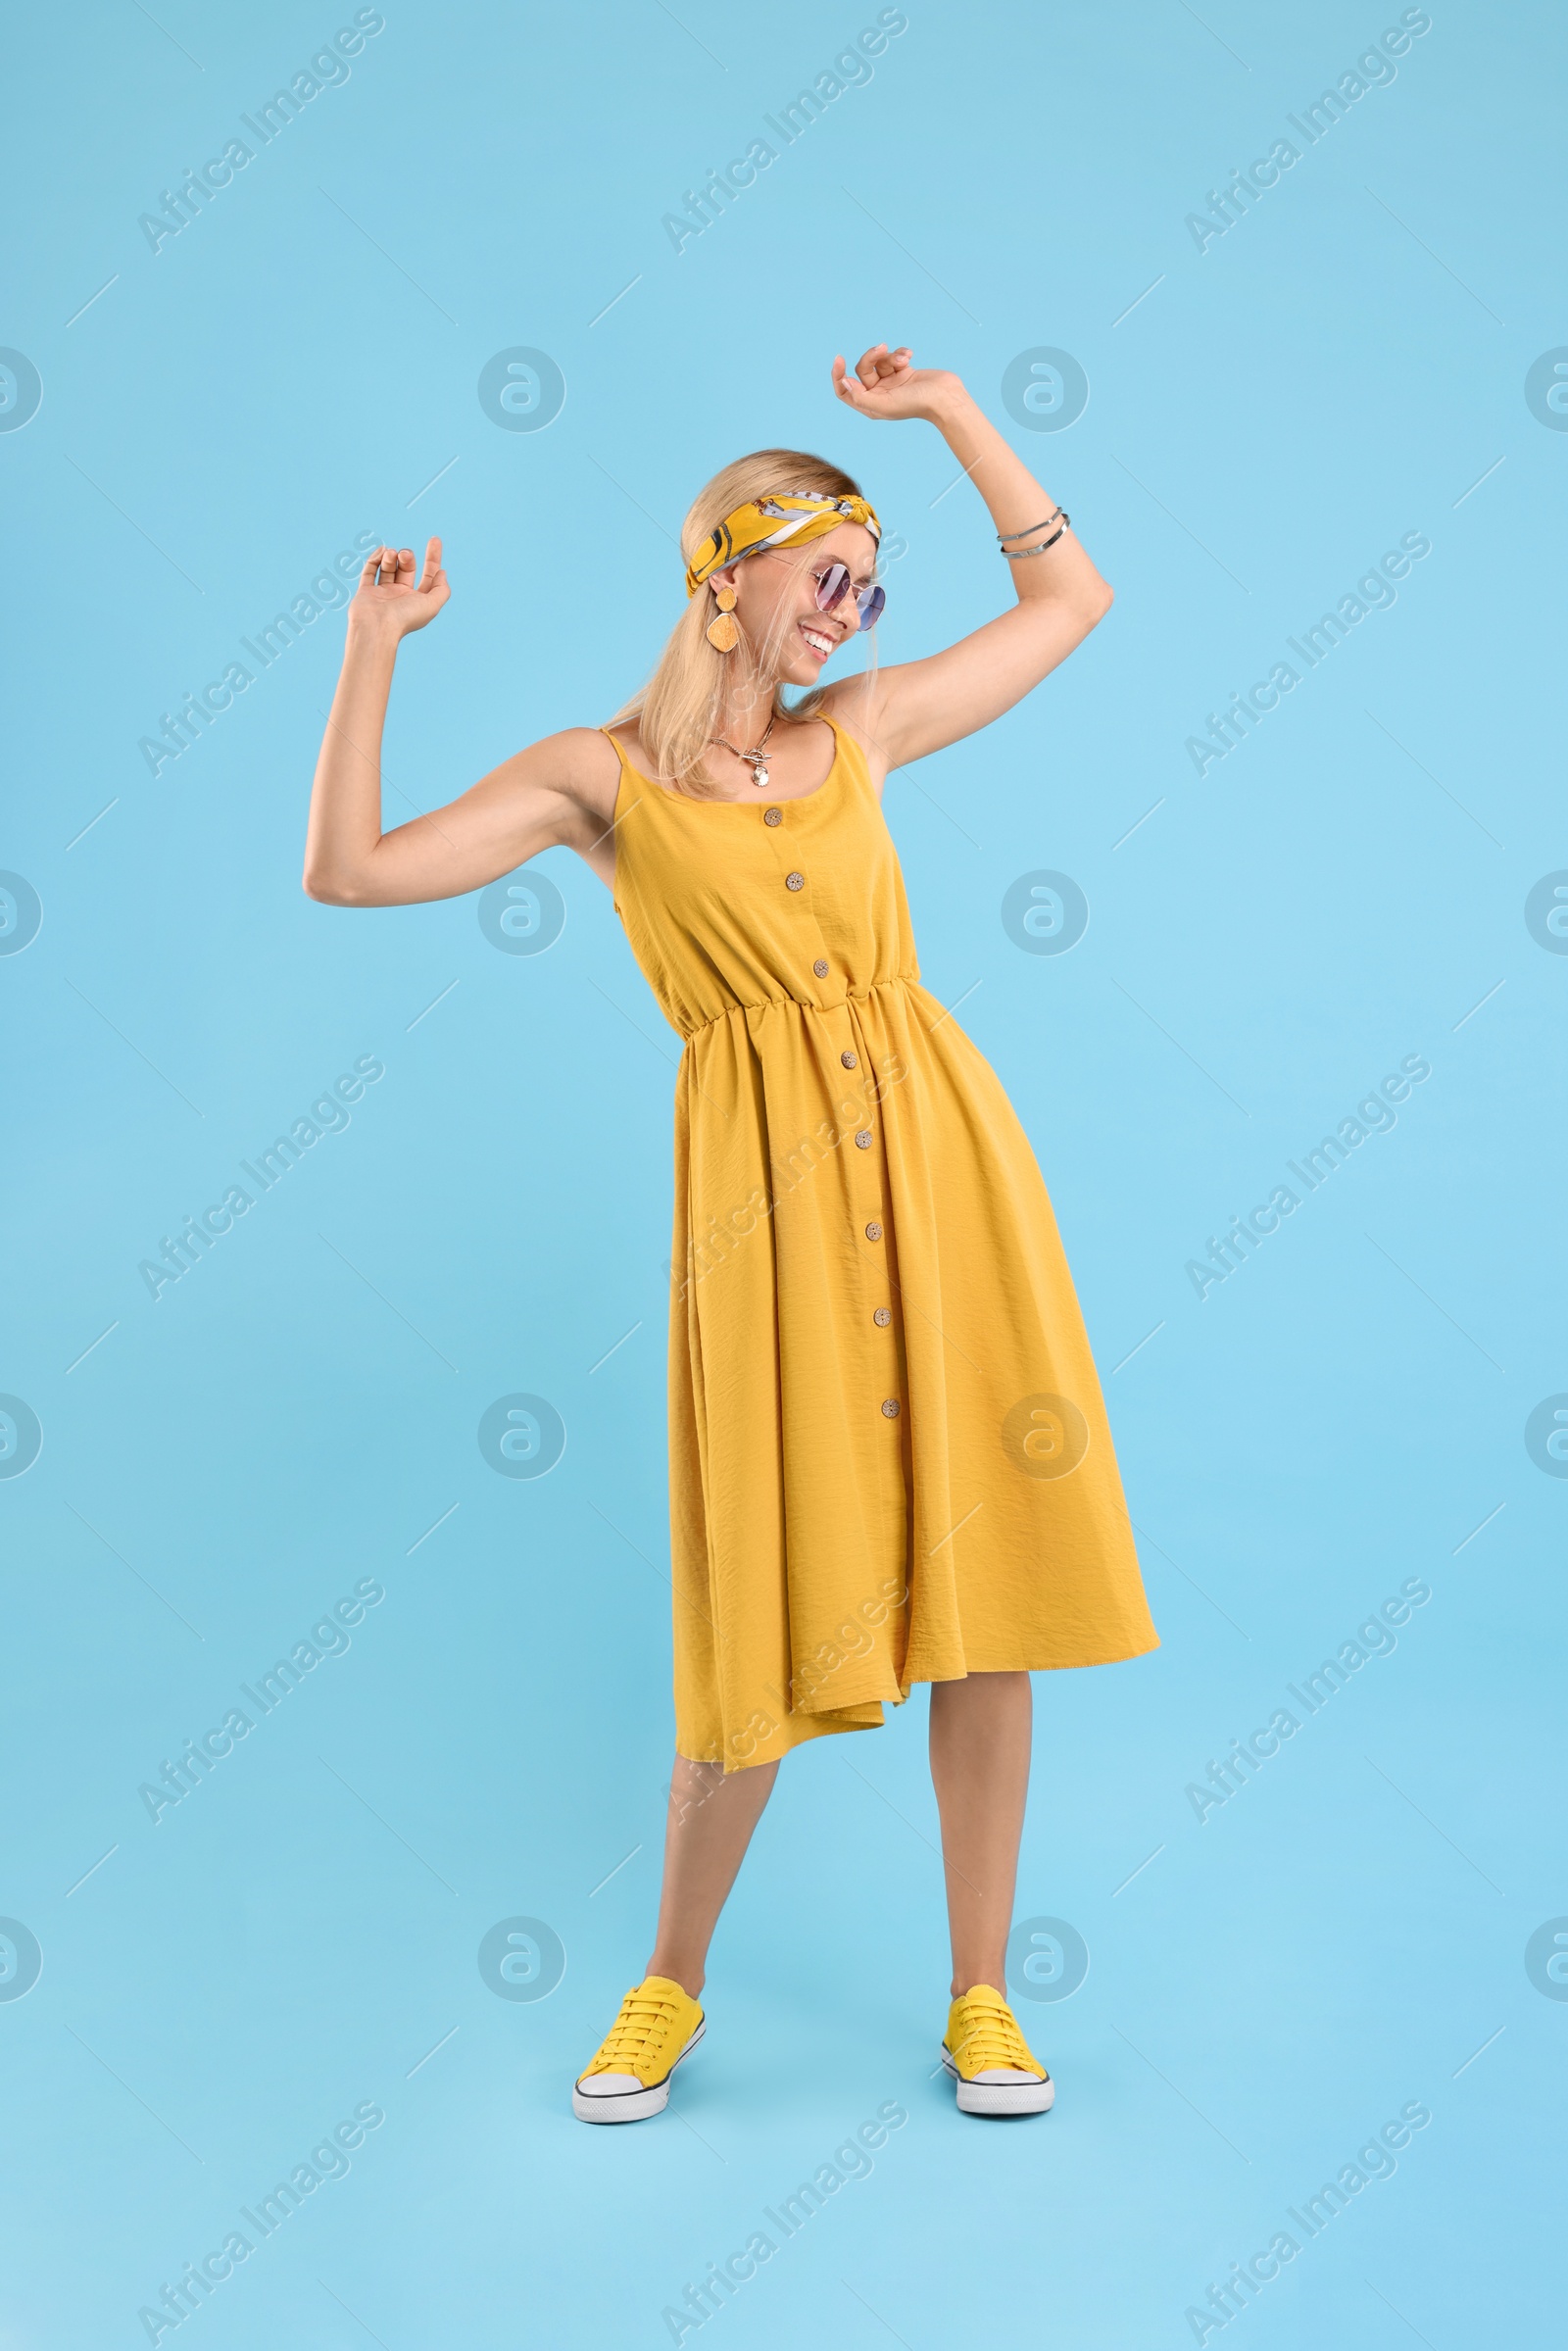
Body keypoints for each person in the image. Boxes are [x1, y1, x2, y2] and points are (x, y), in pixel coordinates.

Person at [303, 341, 1158, 2125]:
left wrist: (944, 420)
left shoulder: (859, 736)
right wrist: (371, 653)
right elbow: (355, 871)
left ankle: (984, 1999)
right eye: (825, 572)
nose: (849, 608)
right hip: (762, 1216)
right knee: (758, 1594)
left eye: (868, 585)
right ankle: (668, 1985)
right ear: (727, 570)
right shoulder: (599, 780)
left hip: (943, 1173)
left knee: (983, 1590)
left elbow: (1068, 595)